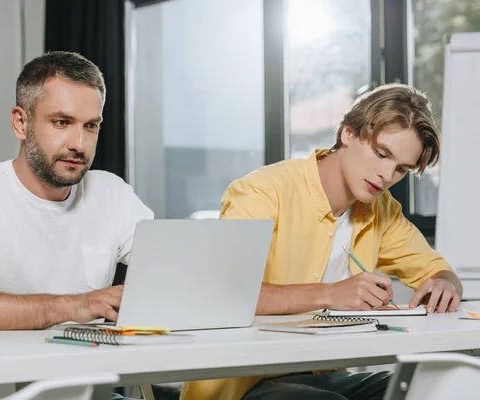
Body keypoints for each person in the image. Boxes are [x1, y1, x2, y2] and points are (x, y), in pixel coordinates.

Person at [181, 84, 463, 400]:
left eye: (400, 169)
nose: (386, 175)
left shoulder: (381, 211)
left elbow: (438, 271)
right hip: (245, 381)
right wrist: (331, 294)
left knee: (433, 390)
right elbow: (223, 296)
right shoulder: (262, 192)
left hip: (322, 375)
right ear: (348, 134)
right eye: (381, 154)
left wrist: (444, 285)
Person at [0, 51, 153, 333]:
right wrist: (72, 306)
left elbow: (179, 274)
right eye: (61, 122)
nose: (79, 143)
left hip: (92, 372)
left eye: (90, 126)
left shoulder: (112, 194)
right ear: (21, 123)